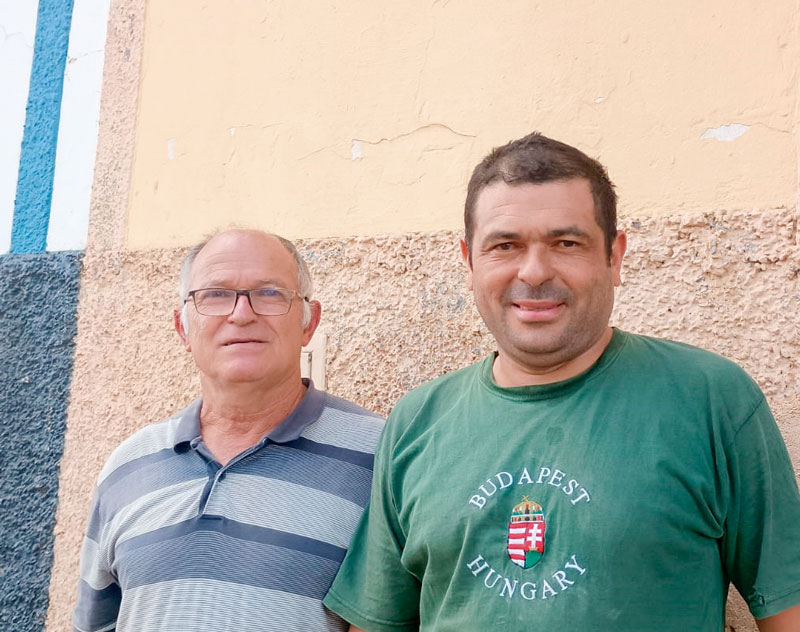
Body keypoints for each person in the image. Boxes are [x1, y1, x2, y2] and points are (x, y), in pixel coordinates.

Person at [323, 133, 800, 631]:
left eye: (566, 243)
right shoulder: (418, 421)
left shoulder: (711, 400)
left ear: (614, 257)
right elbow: (376, 621)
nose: (534, 272)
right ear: (469, 262)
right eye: (505, 245)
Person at [73, 229, 384, 632]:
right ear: (183, 328)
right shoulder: (128, 467)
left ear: (309, 323)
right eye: (215, 294)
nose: (241, 314)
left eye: (270, 293)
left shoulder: (380, 456)